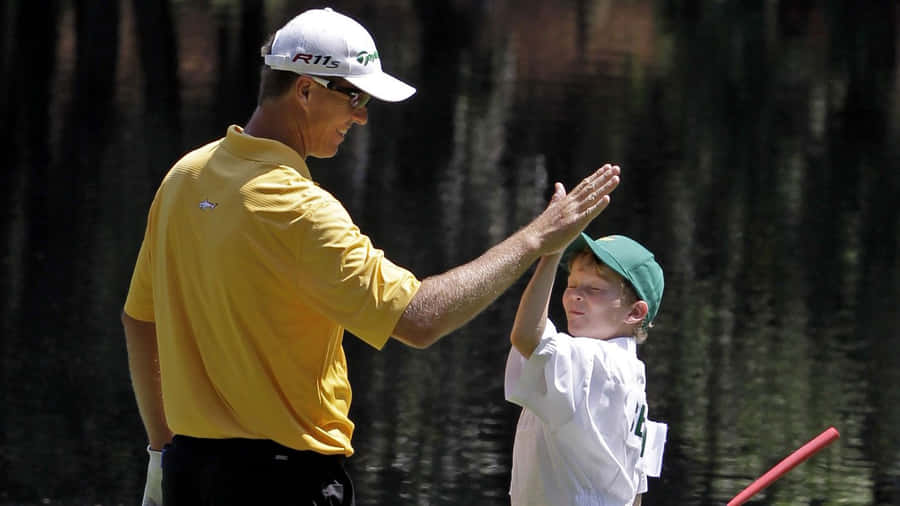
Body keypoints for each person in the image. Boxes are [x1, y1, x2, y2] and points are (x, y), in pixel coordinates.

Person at [122, 6, 620, 506]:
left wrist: (162, 451)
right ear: (306, 89)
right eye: (355, 96)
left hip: (189, 472)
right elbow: (420, 319)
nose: (361, 116)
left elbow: (139, 320)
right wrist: (536, 238)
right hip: (283, 484)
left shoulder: (185, 177)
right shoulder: (300, 211)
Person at [504, 233, 668, 506]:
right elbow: (636, 487)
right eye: (571, 285)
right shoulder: (631, 374)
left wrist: (551, 253)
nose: (575, 296)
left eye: (594, 289)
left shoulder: (595, 363)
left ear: (635, 313)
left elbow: (526, 337)